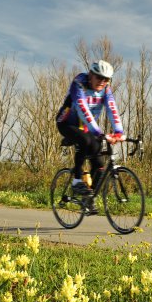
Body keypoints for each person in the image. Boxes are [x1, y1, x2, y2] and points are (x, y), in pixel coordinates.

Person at [56, 59, 125, 212]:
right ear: (90, 75)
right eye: (99, 77)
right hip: (67, 122)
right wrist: (99, 132)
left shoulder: (106, 90)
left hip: (86, 128)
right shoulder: (79, 83)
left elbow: (112, 109)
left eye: (106, 79)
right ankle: (76, 181)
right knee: (86, 140)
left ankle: (89, 197)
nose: (103, 81)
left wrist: (119, 131)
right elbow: (83, 109)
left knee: (99, 161)